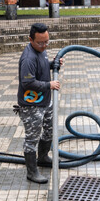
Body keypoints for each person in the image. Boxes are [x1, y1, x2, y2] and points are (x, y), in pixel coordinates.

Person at [17, 23, 63, 184]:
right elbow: (27, 83)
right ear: (31, 40)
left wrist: (52, 65)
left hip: (45, 101)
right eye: (40, 42)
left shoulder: (41, 51)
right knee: (32, 138)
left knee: (49, 132)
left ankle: (43, 157)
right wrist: (48, 85)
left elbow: (41, 67)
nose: (44, 46)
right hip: (31, 105)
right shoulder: (28, 58)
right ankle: (31, 171)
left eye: (47, 42)